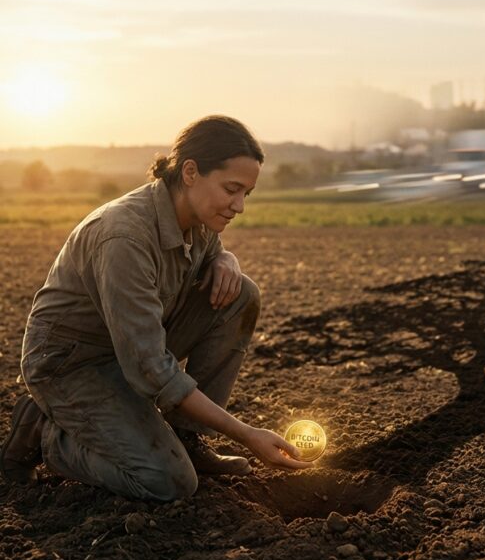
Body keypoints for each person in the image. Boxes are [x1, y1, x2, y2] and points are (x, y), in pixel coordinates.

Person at [0, 115, 312, 501]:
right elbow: (151, 370)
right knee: (169, 482)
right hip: (72, 364)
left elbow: (212, 258)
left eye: (246, 193)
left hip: (127, 349)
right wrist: (247, 435)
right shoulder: (123, 236)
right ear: (191, 172)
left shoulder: (198, 220)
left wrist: (225, 259)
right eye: (232, 189)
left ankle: (188, 438)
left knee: (241, 295)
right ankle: (47, 435)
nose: (239, 206)